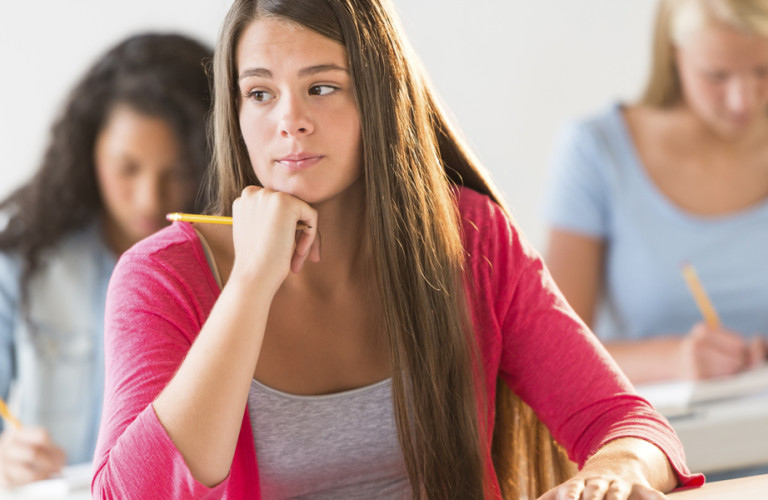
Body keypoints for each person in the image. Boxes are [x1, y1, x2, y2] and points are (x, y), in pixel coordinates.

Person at [92, 1, 704, 498]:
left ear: (380, 99)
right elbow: (126, 495)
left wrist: (614, 473)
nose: (290, 120)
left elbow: (628, 424)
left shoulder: (471, 239)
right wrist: (251, 282)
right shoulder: (161, 276)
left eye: (323, 87)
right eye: (260, 94)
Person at [0, 33, 213, 487]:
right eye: (127, 168)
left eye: (176, 172)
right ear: (88, 150)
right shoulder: (24, 260)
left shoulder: (233, 264)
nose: (149, 198)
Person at [543, 0, 768, 385]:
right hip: (656, 437)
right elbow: (552, 352)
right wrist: (674, 363)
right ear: (672, 53)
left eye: (764, 70)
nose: (743, 101)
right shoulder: (597, 151)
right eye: (716, 76)